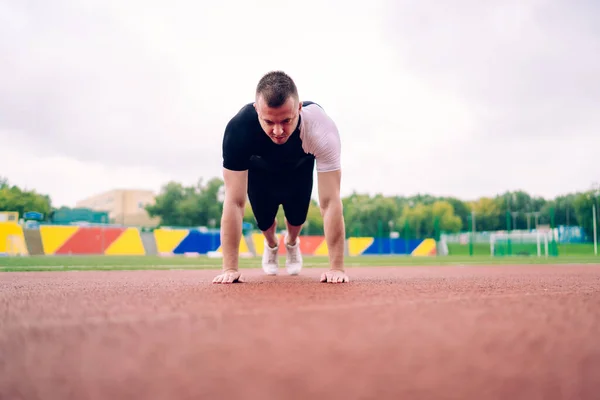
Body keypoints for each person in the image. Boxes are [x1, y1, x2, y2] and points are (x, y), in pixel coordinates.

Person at [212, 71, 349, 284]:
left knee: (296, 218)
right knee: (265, 222)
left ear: (299, 108)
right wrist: (230, 268)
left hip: (299, 167)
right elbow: (234, 201)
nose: (277, 131)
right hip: (260, 171)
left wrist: (337, 268)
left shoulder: (321, 128)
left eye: (286, 120)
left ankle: (292, 243)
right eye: (268, 121)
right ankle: (272, 244)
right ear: (256, 110)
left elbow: (330, 201)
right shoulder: (239, 130)